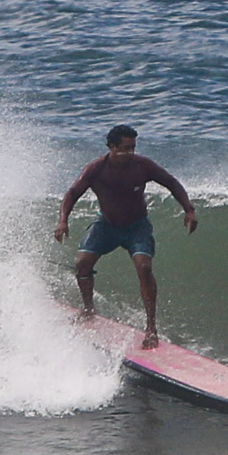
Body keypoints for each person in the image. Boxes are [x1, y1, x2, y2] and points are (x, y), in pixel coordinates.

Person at [54, 125, 197, 348]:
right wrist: (63, 220)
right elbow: (72, 193)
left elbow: (171, 182)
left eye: (133, 148)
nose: (130, 153)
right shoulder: (96, 169)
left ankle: (151, 328)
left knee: (144, 266)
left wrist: (188, 209)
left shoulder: (142, 166)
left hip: (136, 227)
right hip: (107, 225)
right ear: (111, 147)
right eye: (124, 148)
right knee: (82, 262)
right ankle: (88, 310)